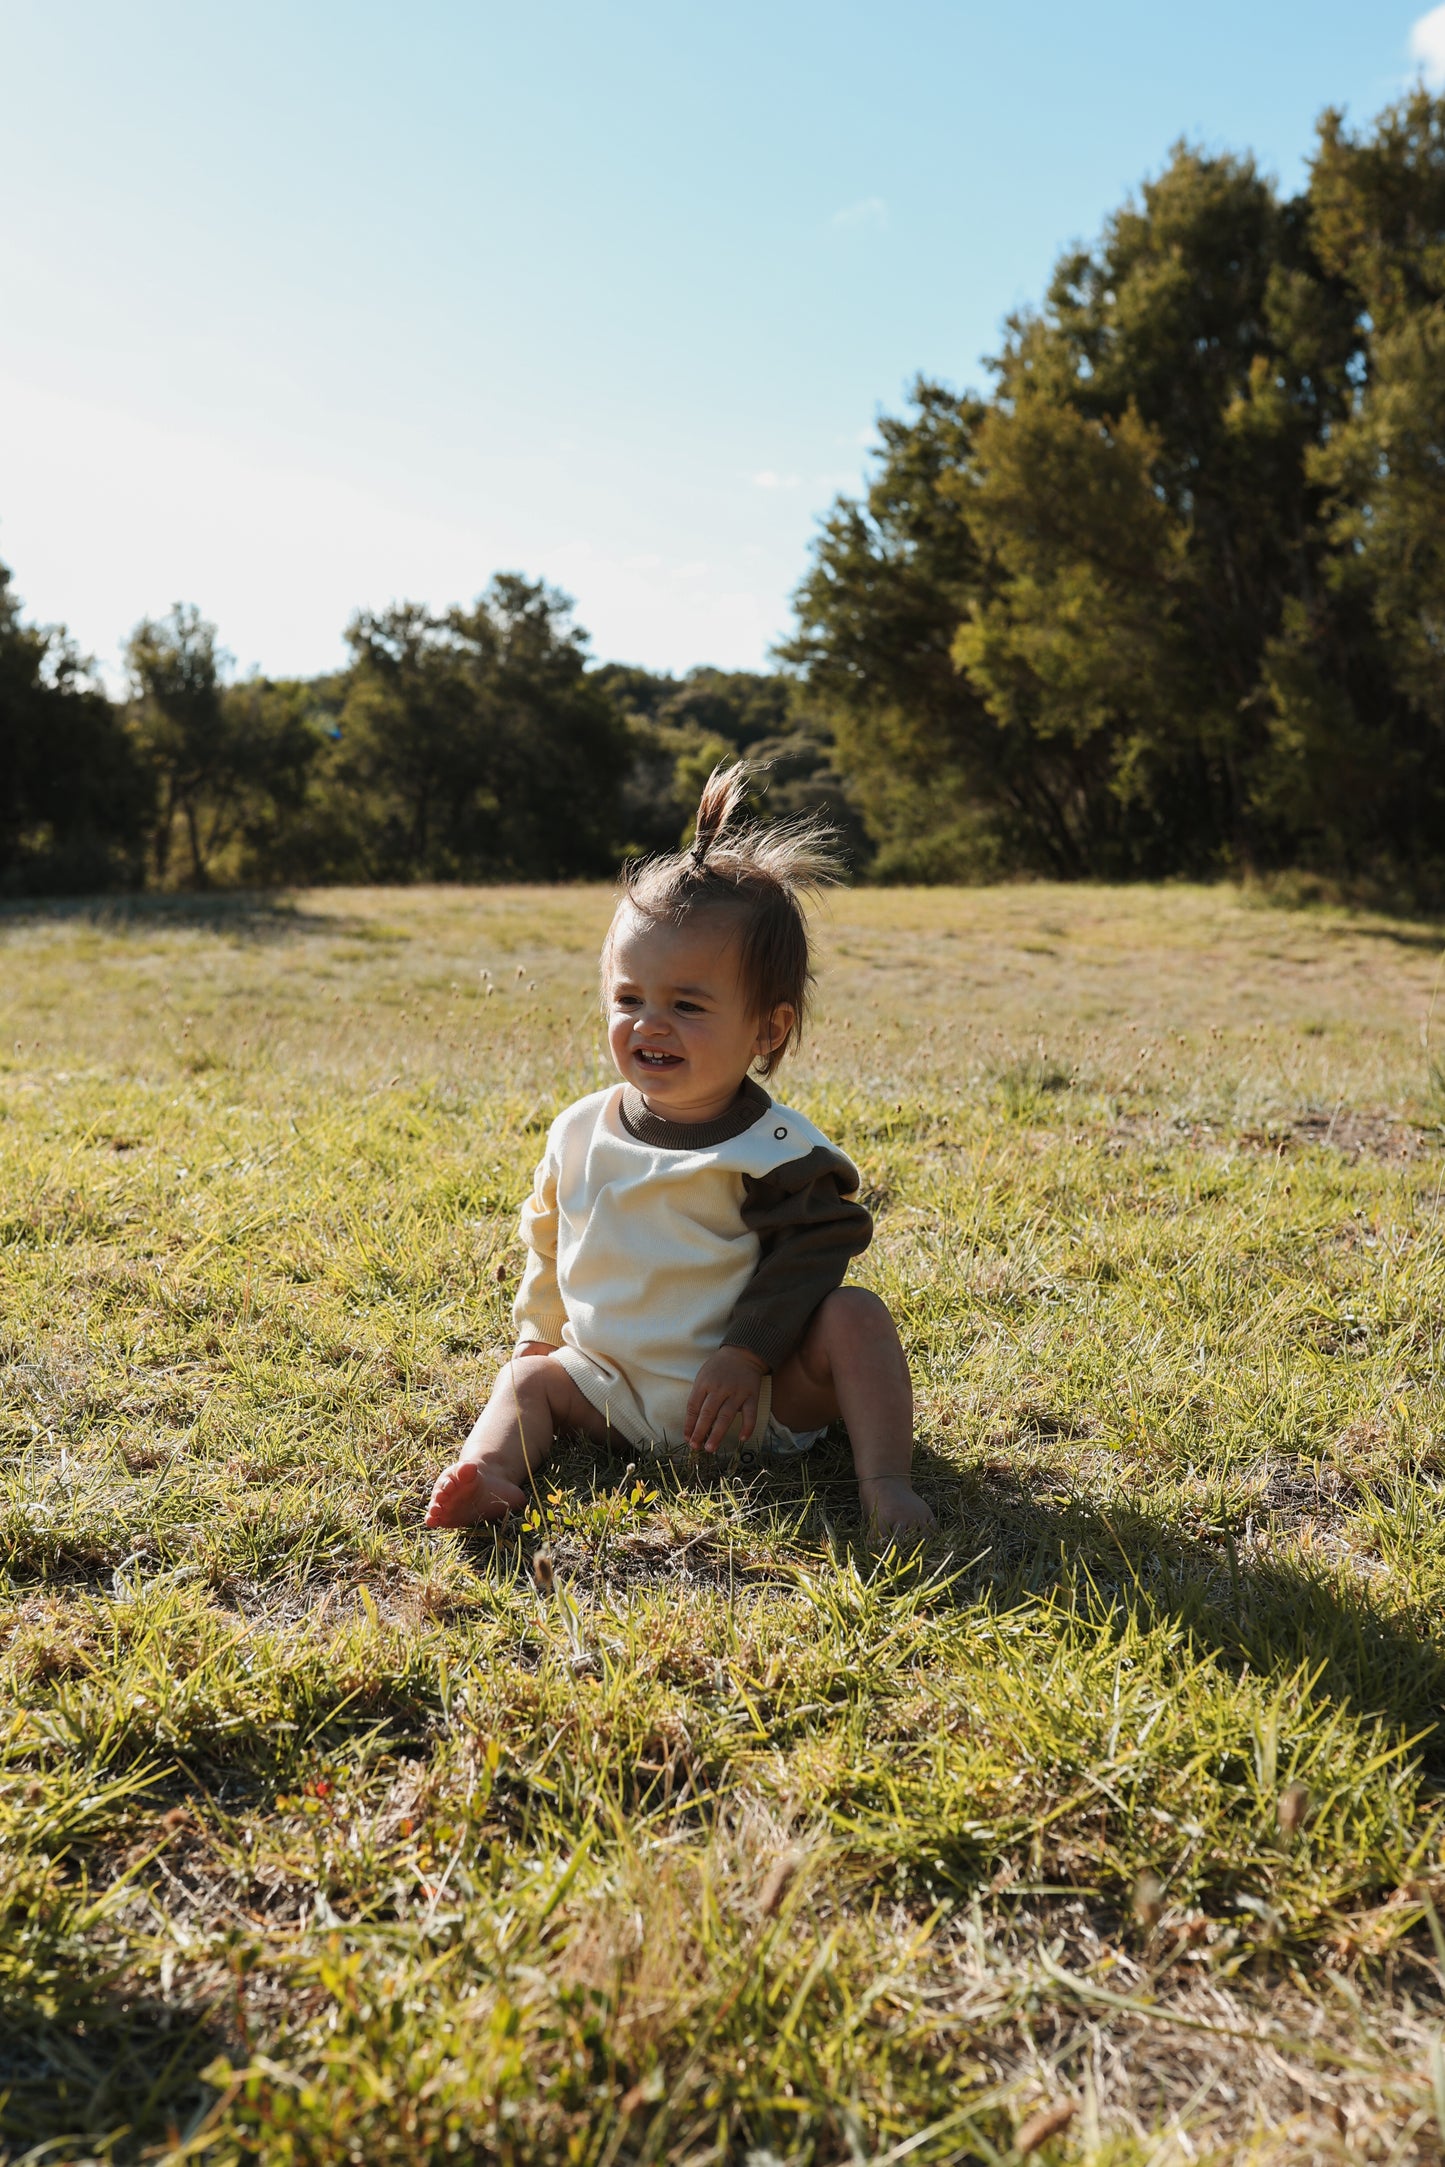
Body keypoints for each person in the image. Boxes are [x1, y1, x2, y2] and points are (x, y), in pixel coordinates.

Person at [424, 763, 935, 1538]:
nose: (649, 1023)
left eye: (687, 1005)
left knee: (855, 1317)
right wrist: (537, 1332)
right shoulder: (578, 1130)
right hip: (611, 1388)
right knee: (524, 1384)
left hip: (749, 1402)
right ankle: (491, 1474)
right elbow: (548, 1238)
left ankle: (885, 1485)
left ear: (767, 1029)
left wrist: (748, 1354)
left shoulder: (775, 1149)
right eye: (629, 998)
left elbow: (814, 1250)